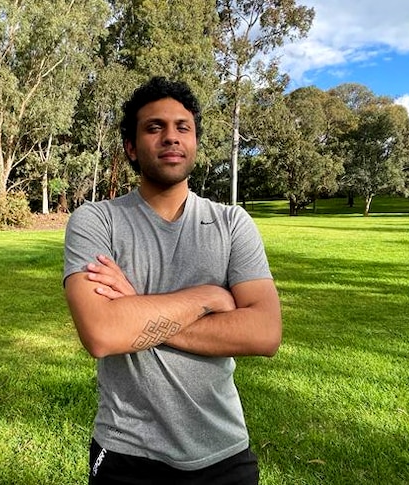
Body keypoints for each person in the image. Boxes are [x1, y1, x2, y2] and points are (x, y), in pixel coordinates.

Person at [62, 76, 282, 484]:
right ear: (131, 147)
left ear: (195, 142)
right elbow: (102, 333)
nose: (171, 137)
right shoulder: (97, 220)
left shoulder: (232, 224)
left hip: (224, 451)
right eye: (154, 127)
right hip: (126, 452)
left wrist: (134, 306)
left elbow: (265, 333)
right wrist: (209, 295)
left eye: (183, 127)